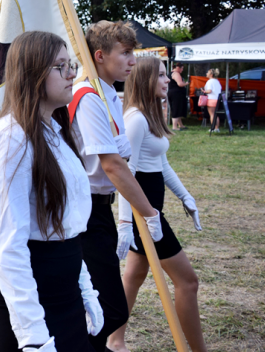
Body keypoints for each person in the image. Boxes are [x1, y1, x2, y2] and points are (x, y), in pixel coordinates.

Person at [0, 31, 103, 352]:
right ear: (32, 73)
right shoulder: (11, 139)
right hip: (26, 291)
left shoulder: (55, 130)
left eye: (70, 64)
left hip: (63, 283)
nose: (72, 74)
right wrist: (32, 336)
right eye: (61, 67)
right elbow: (7, 244)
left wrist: (85, 287)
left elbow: (66, 220)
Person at [67, 20, 164, 352]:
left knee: (98, 305)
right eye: (125, 54)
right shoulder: (88, 94)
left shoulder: (108, 92)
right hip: (85, 211)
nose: (133, 62)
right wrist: (147, 213)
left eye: (132, 53)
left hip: (100, 209)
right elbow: (111, 165)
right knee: (110, 308)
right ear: (100, 55)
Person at [107, 57, 205, 352]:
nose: (169, 81)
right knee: (188, 282)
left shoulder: (150, 114)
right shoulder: (135, 118)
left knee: (134, 276)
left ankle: (113, 341)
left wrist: (185, 196)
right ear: (147, 79)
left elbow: (161, 164)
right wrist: (127, 223)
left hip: (150, 212)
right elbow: (126, 172)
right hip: (145, 215)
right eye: (162, 76)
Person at [168, 63, 188, 130]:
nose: (182, 70)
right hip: (176, 94)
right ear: (178, 67)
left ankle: (181, 125)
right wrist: (186, 83)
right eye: (182, 68)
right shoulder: (176, 74)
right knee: (176, 109)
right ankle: (174, 126)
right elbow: (180, 84)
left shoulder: (171, 73)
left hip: (173, 93)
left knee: (178, 109)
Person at [202, 68, 221, 132]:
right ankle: (217, 128)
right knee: (216, 114)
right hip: (217, 99)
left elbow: (209, 90)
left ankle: (213, 128)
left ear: (211, 75)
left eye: (208, 72)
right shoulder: (217, 81)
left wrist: (204, 91)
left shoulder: (210, 81)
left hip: (211, 99)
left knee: (212, 114)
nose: (206, 73)